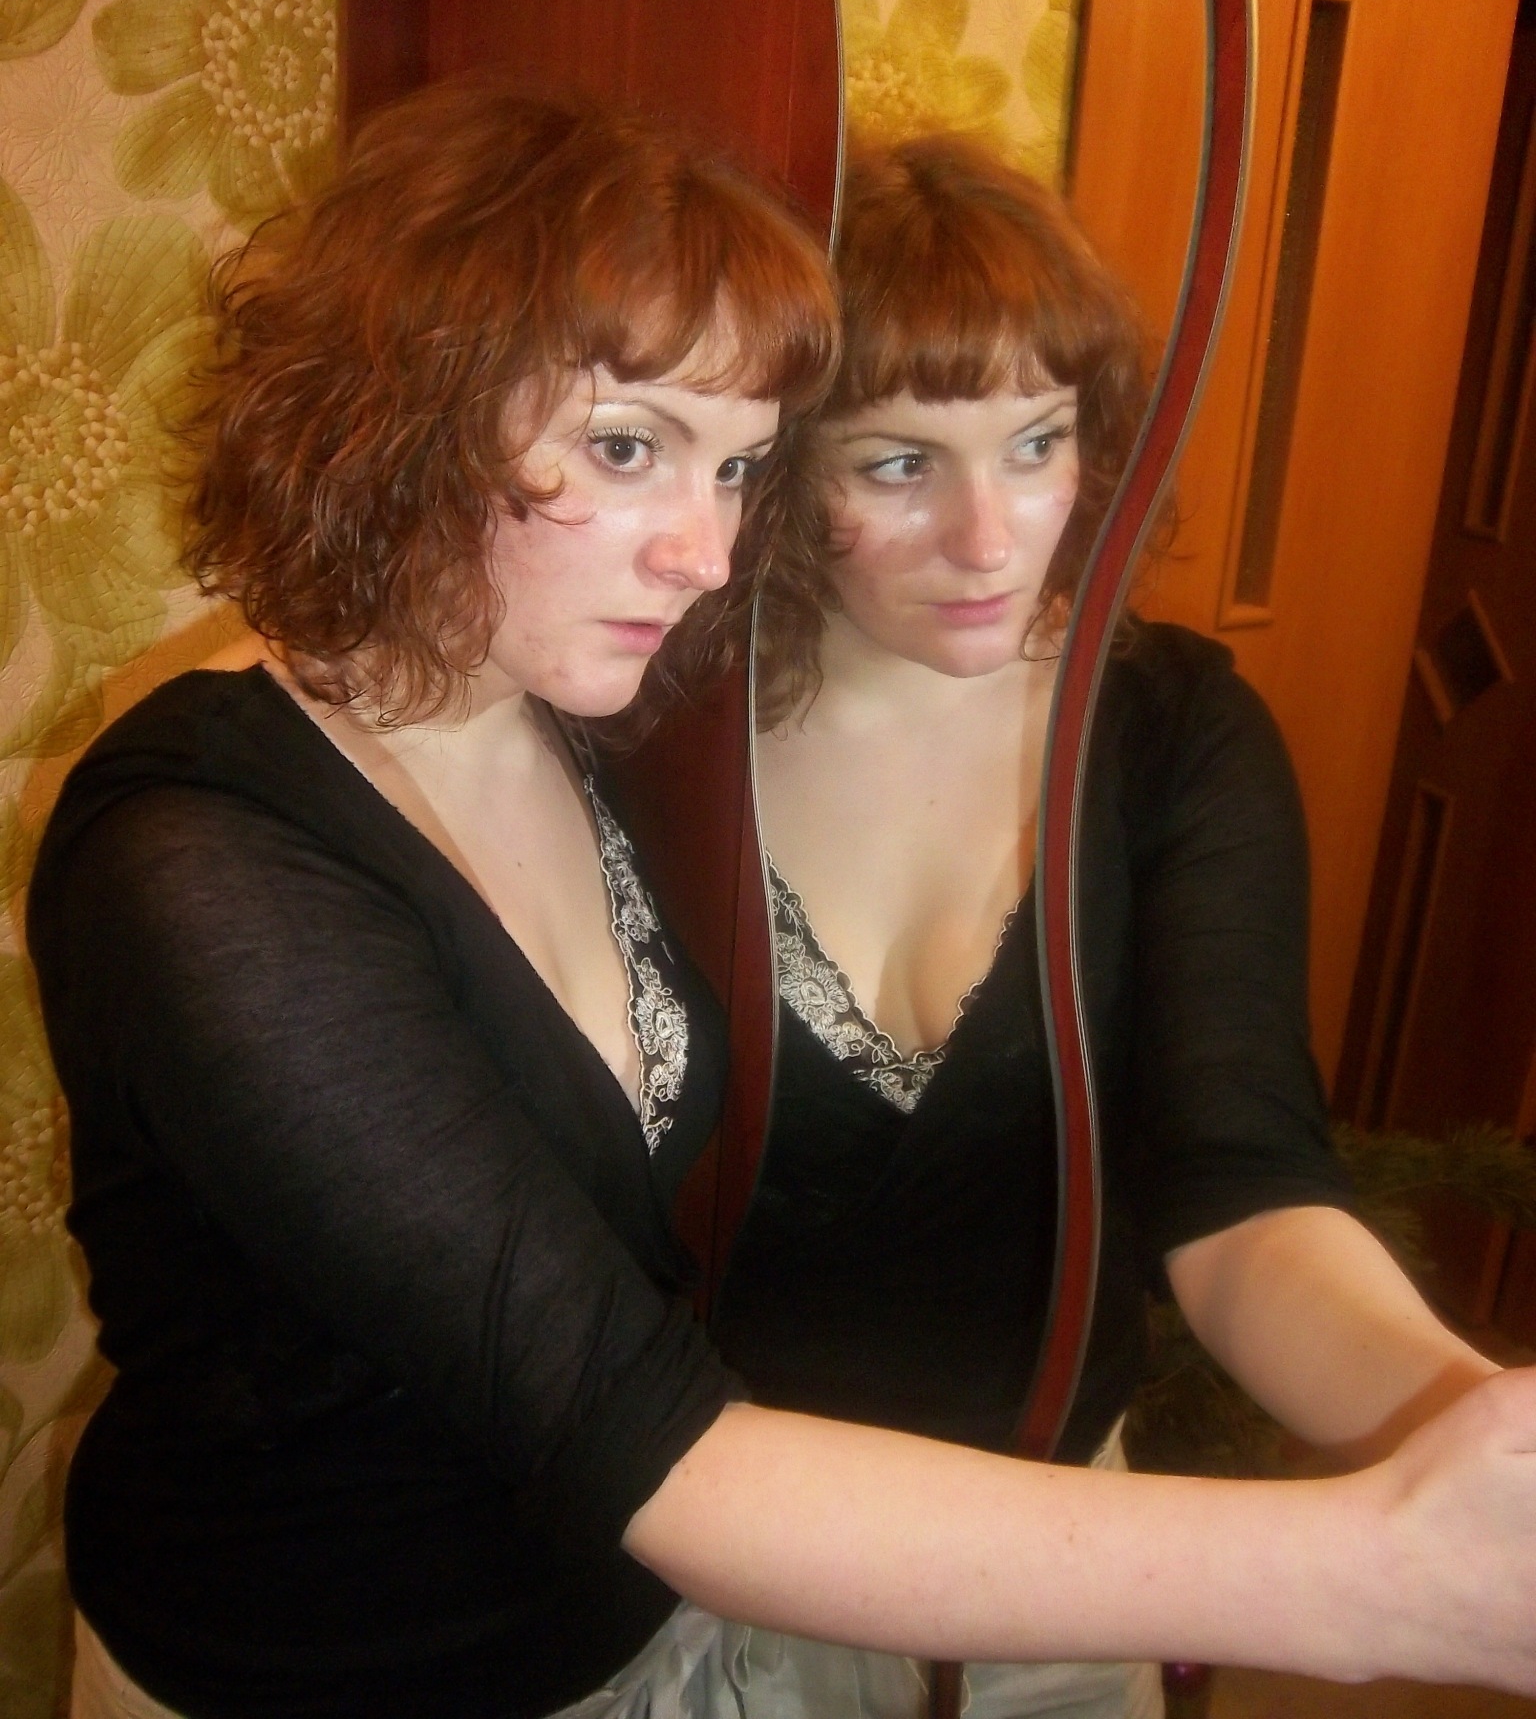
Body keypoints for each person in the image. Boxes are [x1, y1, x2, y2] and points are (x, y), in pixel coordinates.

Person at [24, 87, 1536, 1719]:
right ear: (404, 406)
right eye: (628, 448)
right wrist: (1368, 1574)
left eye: (739, 466)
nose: (703, 555)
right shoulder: (207, 854)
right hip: (323, 1667)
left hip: (630, 1635)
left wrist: (1460, 1430)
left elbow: (1237, 1167)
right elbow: (629, 1419)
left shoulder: (558, 714)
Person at [722, 133, 1529, 1716]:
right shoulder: (660, 729)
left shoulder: (1175, 735)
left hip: (1060, 1576)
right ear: (778, 468)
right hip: (691, 1572)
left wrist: (1460, 1423)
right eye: (898, 465)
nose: (993, 536)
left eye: (1038, 443)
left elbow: (1245, 1196)